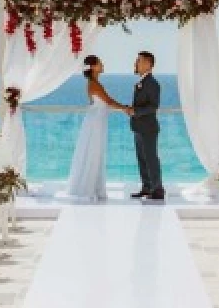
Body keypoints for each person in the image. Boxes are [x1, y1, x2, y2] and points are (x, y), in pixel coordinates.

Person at [67, 55, 127, 201]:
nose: (102, 65)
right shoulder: (94, 84)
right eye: (100, 63)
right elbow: (108, 101)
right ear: (93, 67)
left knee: (96, 152)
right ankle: (88, 188)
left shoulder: (94, 82)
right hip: (95, 122)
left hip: (97, 119)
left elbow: (106, 101)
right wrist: (125, 108)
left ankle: (93, 186)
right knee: (93, 152)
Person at [126, 51, 164, 201]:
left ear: (148, 64)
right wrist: (133, 110)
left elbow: (153, 107)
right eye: (137, 61)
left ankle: (158, 189)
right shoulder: (141, 82)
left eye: (139, 61)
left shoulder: (152, 83)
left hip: (148, 128)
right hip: (139, 128)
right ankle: (147, 187)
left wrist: (135, 111)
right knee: (142, 159)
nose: (136, 63)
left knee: (151, 159)